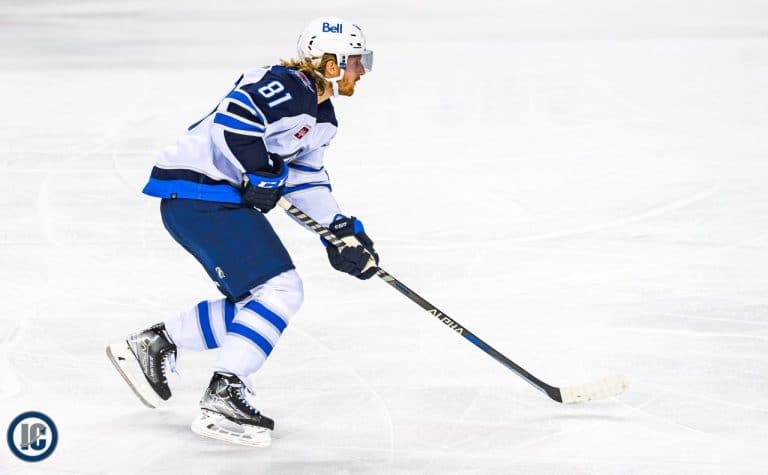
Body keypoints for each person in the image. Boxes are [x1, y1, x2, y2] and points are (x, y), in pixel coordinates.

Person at [106, 17, 379, 448]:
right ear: (331, 63)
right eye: (357, 61)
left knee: (261, 303)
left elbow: (305, 179)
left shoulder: (322, 117)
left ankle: (156, 343)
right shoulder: (288, 85)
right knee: (281, 290)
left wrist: (338, 229)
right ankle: (224, 392)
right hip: (199, 192)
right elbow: (235, 118)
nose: (362, 71)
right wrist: (260, 170)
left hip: (211, 200)